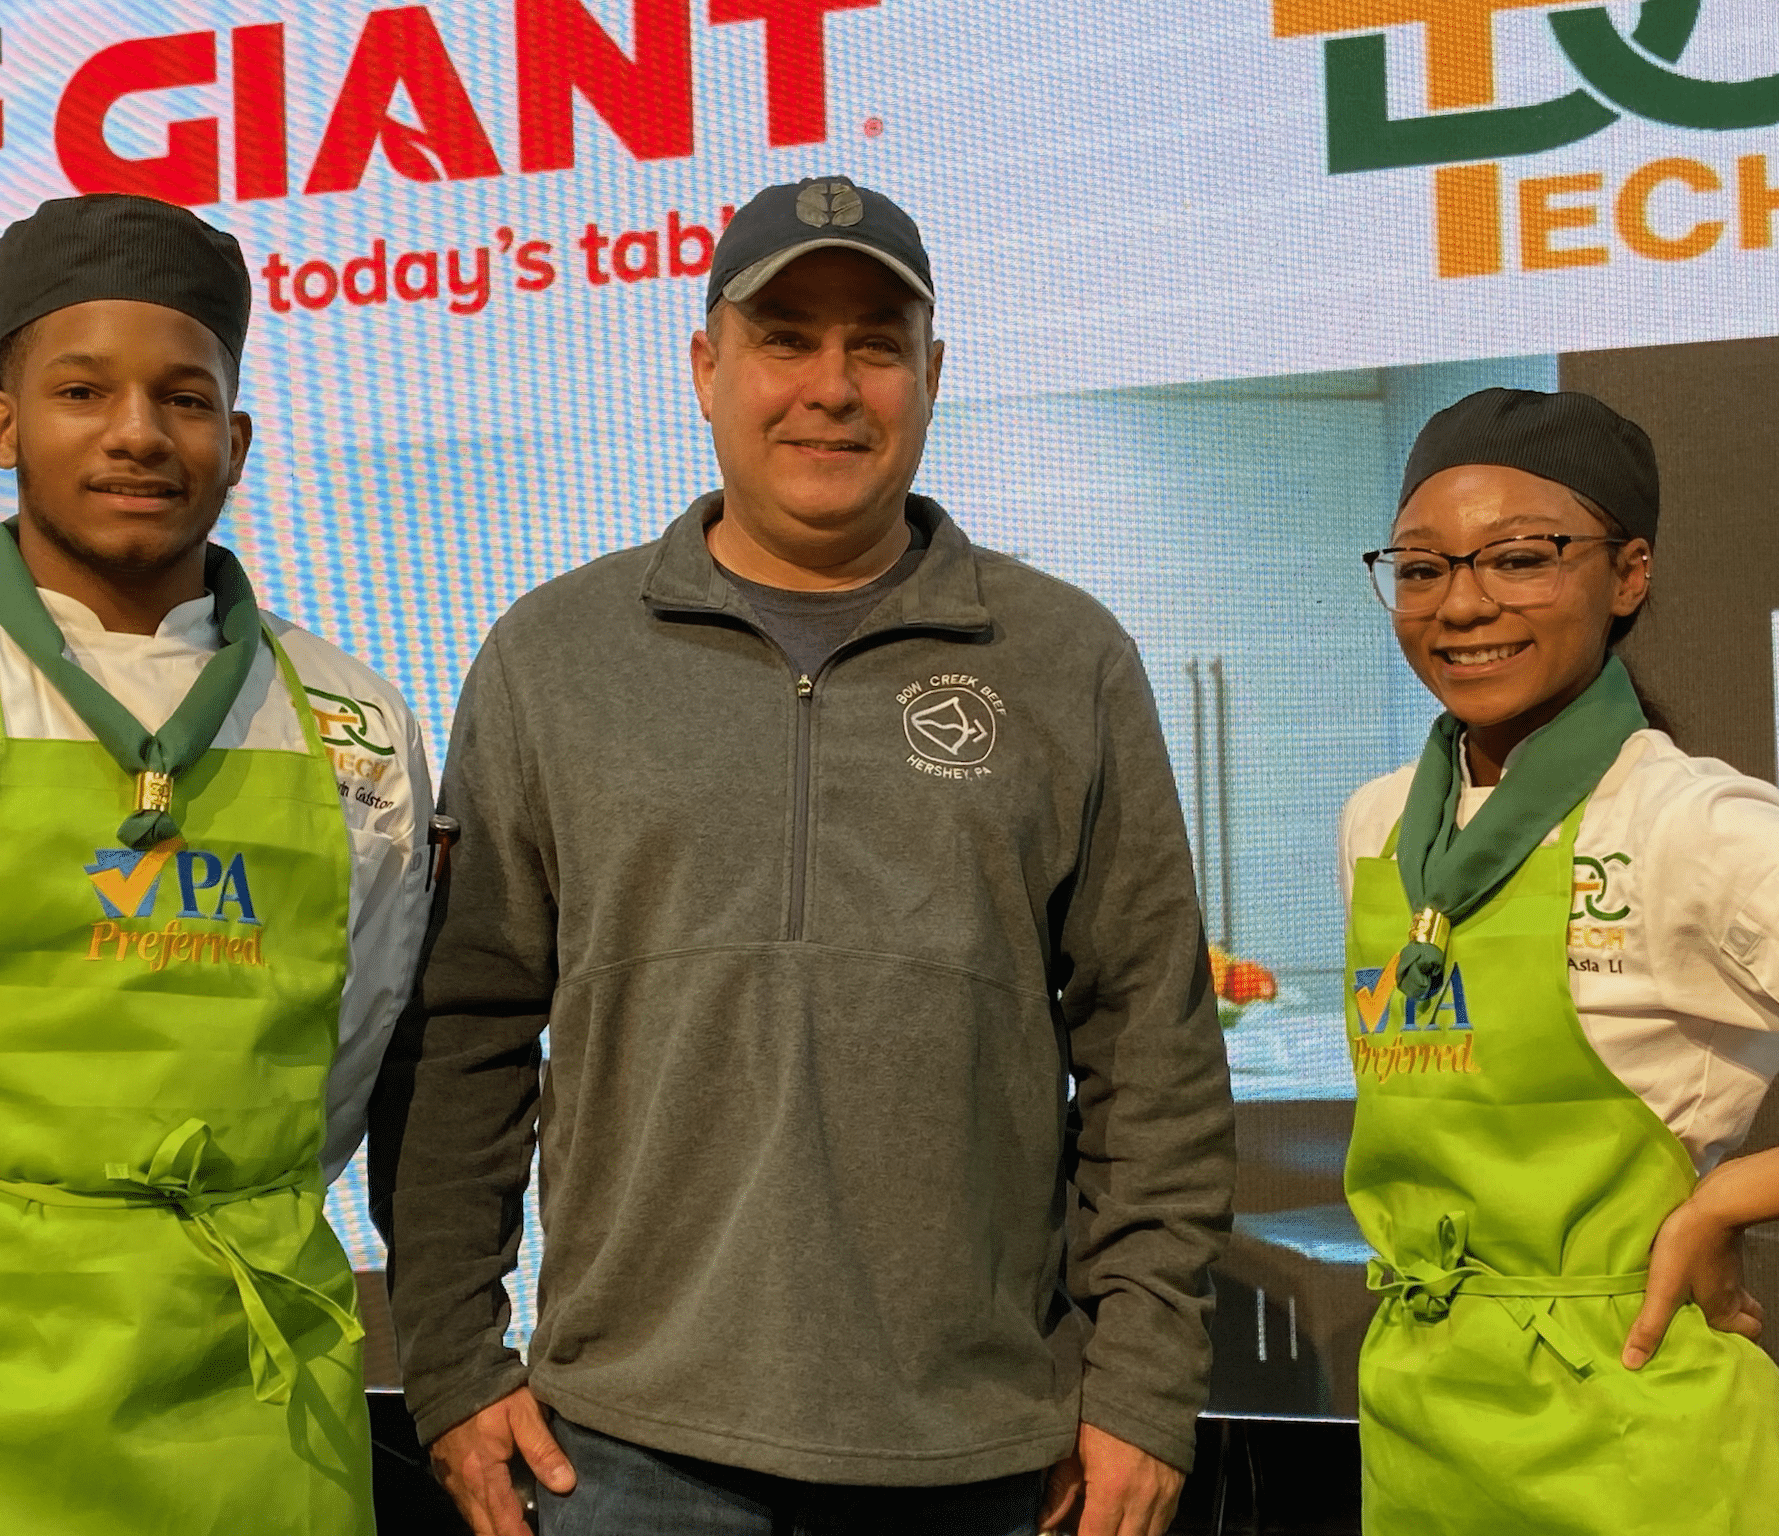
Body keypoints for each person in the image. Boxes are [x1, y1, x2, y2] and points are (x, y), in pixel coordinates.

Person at [371, 175, 1234, 1536]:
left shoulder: (1068, 662)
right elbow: (464, 1041)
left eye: (876, 344)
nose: (831, 386)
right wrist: (450, 1366)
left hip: (981, 1458)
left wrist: (1140, 1384)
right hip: (622, 1452)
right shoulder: (554, 659)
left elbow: (1155, 1055)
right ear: (706, 366)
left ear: (932, 375)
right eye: (785, 338)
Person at [0, 194, 432, 1534]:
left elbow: (348, 1063)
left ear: (232, 438)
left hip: (252, 1417)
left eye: (183, 397)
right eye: (81, 389)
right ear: (1, 422)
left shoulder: (358, 723)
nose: (135, 432)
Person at [1341, 387, 1779, 1533]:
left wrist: (1729, 1197)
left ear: (1628, 574)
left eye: (1522, 558)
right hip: (1421, 1426)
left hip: (1634, 1435)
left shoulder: (1698, 825)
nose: (1463, 603)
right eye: (1423, 568)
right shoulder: (1377, 826)